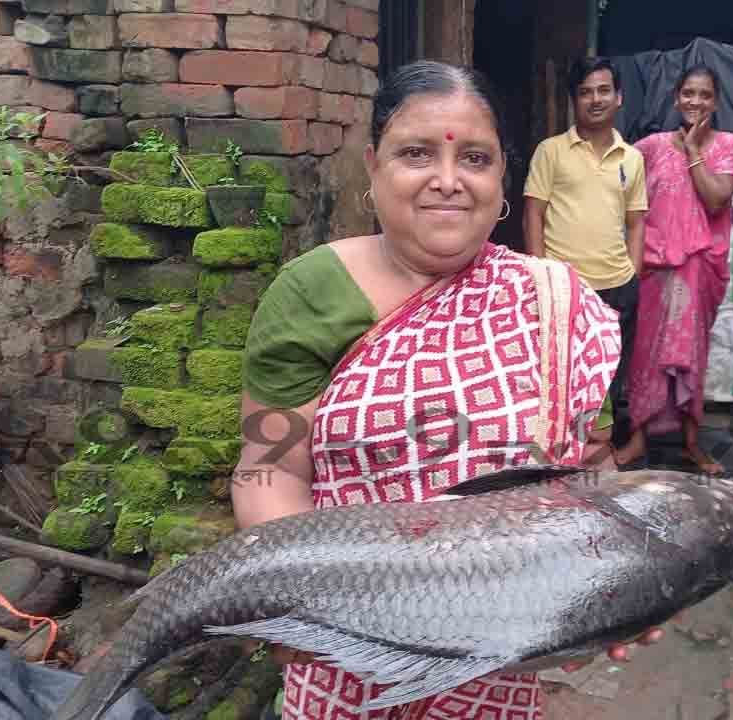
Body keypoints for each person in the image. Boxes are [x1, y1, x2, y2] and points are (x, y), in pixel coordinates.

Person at [236, 60, 666, 720]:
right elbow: (270, 472)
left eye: (475, 157)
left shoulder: (558, 305)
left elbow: (592, 470)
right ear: (374, 167)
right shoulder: (311, 293)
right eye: (415, 153)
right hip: (345, 647)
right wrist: (310, 608)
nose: (448, 180)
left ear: (501, 183)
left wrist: (613, 586)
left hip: (504, 646)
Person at [612, 64, 733, 472]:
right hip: (654, 267)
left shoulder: (729, 145)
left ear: (717, 101)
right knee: (645, 357)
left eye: (705, 95)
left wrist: (692, 152)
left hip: (698, 269)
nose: (696, 101)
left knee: (692, 354)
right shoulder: (650, 147)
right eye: (688, 94)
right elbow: (611, 180)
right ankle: (638, 438)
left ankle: (691, 442)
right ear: (676, 98)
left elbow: (715, 200)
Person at [522, 56, 648, 448]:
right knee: (560, 375)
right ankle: (558, 454)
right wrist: (542, 276)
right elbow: (533, 215)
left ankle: (597, 457)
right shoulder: (551, 151)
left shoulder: (632, 158)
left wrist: (634, 272)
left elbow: (636, 221)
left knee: (609, 377)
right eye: (585, 92)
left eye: (603, 90)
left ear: (619, 97)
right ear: (574, 101)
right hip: (565, 288)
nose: (595, 99)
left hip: (617, 286)